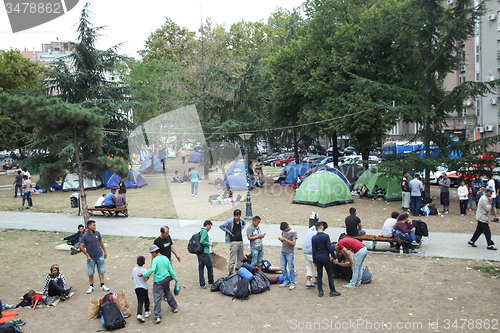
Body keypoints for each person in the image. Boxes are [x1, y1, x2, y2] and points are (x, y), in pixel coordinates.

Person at [138, 245, 179, 324]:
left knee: (157, 297)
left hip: (158, 281)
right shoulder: (165, 258)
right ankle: (174, 307)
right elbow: (171, 270)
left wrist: (143, 274)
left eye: (151, 253)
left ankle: (157, 316)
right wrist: (176, 279)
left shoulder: (155, 260)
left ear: (154, 252)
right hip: (166, 279)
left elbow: (152, 269)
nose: (151, 255)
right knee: (168, 293)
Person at [80, 220, 110, 294]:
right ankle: (91, 286)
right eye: (93, 225)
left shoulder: (97, 233)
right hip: (91, 257)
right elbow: (81, 247)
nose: (95, 226)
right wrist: (87, 255)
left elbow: (100, 242)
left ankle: (102, 285)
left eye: (95, 225)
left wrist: (104, 251)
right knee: (90, 272)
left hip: (99, 255)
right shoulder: (85, 236)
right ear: (89, 226)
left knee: (101, 271)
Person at [311, 221, 341, 297]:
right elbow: (329, 248)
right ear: (323, 228)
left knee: (319, 274)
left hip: (317, 257)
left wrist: (314, 260)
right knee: (330, 274)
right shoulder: (326, 236)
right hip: (325, 257)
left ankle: (320, 291)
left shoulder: (314, 238)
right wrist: (334, 257)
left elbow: (313, 250)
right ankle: (332, 291)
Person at [219, 209, 246, 275]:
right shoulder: (230, 221)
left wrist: (241, 228)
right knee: (232, 258)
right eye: (235, 216)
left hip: (240, 241)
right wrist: (228, 232)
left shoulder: (241, 220)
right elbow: (221, 226)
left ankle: (239, 268)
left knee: (240, 257)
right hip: (234, 241)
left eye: (237, 216)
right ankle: (230, 271)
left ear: (240, 215)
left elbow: (244, 223)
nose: (236, 217)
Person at [278, 222, 298, 290]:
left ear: (287, 227)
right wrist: (281, 240)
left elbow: (293, 243)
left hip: (289, 252)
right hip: (283, 251)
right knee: (283, 268)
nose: (284, 231)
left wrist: (285, 239)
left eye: (284, 230)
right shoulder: (284, 232)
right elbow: (283, 241)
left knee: (291, 268)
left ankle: (292, 282)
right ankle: (286, 280)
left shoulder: (293, 232)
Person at [132, 256, 150, 323]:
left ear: (136, 262)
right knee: (146, 299)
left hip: (136, 287)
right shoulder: (144, 270)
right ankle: (147, 311)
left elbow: (132, 278)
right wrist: (148, 276)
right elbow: (146, 279)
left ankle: (139, 314)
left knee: (140, 301)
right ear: (144, 262)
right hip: (143, 287)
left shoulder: (134, 269)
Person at [197, 220, 214, 289]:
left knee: (201, 268)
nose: (210, 228)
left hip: (200, 253)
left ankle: (202, 284)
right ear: (207, 225)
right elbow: (202, 241)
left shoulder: (201, 231)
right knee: (210, 267)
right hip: (205, 253)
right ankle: (211, 282)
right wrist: (209, 244)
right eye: (210, 226)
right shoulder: (204, 231)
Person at [303, 222, 319, 289]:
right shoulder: (316, 233)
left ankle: (308, 282)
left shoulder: (309, 230)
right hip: (311, 252)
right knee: (315, 266)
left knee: (308, 267)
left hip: (305, 251)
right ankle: (316, 280)